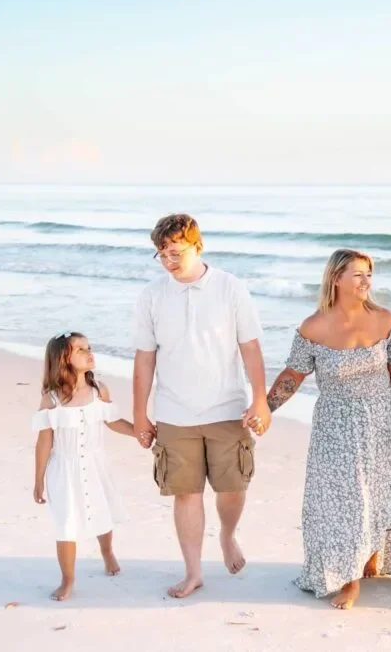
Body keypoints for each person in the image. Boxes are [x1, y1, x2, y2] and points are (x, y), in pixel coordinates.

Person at [261, 249, 391, 610]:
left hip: (382, 420)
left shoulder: (385, 320)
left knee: (379, 492)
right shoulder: (313, 326)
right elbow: (293, 375)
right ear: (336, 278)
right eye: (358, 275)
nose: (366, 282)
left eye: (369, 275)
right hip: (335, 423)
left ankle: (370, 557)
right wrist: (265, 409)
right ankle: (349, 580)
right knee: (346, 500)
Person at [132, 213, 269, 599]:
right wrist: (140, 413)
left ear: (197, 246)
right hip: (174, 413)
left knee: (233, 488)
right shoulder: (152, 295)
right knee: (186, 492)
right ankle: (193, 572)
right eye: (161, 254)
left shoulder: (230, 288)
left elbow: (250, 347)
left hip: (227, 408)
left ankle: (227, 535)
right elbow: (144, 358)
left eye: (175, 253)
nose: (168, 261)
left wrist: (260, 399)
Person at [31, 331, 137, 601]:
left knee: (102, 510)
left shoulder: (99, 391)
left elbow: (112, 421)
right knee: (65, 523)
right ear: (62, 359)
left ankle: (107, 552)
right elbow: (44, 442)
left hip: (95, 463)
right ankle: (67, 579)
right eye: (80, 349)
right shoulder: (51, 400)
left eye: (89, 347)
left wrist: (138, 432)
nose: (89, 352)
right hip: (63, 470)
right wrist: (38, 479)